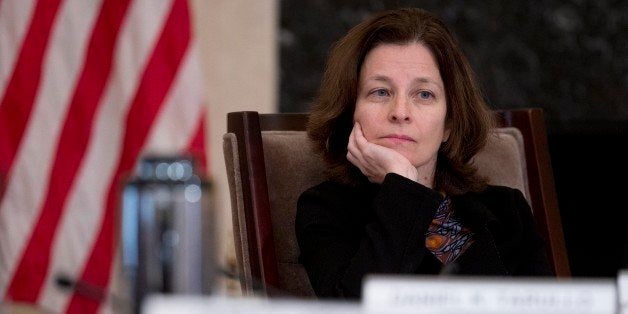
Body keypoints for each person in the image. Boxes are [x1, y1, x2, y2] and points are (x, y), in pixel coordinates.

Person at [295, 8, 553, 299]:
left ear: (449, 125)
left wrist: (423, 206)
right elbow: (356, 307)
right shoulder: (324, 210)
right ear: (349, 111)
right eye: (380, 92)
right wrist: (404, 189)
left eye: (424, 95)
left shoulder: (508, 210)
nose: (400, 112)